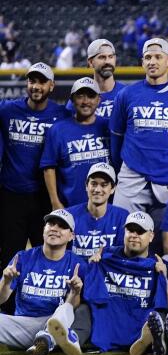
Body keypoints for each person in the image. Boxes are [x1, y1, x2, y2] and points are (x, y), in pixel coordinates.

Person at [110, 38, 168, 220]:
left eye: (158, 57)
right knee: (122, 236)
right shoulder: (126, 95)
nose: (152, 62)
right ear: (142, 62)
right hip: (131, 176)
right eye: (148, 57)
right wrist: (123, 166)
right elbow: (116, 136)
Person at [0, 63, 68, 264]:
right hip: (11, 195)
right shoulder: (8, 110)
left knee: (46, 254)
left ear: (52, 85)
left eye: (41, 82)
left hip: (44, 197)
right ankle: (8, 297)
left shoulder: (62, 115)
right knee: (9, 256)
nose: (36, 86)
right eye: (32, 81)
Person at [0, 209, 88, 355]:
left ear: (71, 236)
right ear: (44, 230)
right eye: (51, 224)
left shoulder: (77, 264)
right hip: (21, 325)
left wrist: (75, 293)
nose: (54, 228)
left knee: (67, 309)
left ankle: (45, 340)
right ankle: (48, 341)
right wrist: (6, 281)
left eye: (62, 226)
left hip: (54, 323)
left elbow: (71, 307)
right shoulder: (23, 257)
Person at [84, 212, 168, 355]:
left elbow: (166, 302)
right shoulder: (105, 258)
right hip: (109, 329)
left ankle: (149, 342)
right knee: (82, 309)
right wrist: (92, 267)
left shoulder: (159, 265)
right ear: (124, 232)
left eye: (140, 231)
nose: (134, 235)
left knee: (160, 315)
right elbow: (90, 295)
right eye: (130, 230)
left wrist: (164, 277)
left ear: (151, 236)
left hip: (140, 325)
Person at [42, 78, 110, 209]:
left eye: (91, 96)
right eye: (80, 96)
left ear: (99, 100)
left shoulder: (108, 127)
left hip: (105, 206)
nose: (85, 102)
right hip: (70, 205)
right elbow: (49, 167)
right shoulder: (58, 129)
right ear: (72, 100)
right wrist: (55, 201)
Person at [65, 163, 128, 259]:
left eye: (104, 185)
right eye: (93, 184)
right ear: (86, 185)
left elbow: (124, 256)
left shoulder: (122, 217)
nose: (98, 190)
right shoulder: (68, 215)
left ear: (113, 189)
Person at [78, 39, 124, 120]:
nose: (107, 61)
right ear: (90, 62)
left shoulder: (127, 94)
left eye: (110, 57)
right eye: (102, 57)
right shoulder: (79, 98)